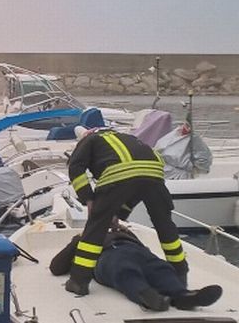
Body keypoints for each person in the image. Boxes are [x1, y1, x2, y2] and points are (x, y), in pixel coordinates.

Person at [64, 128, 189, 295]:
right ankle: (180, 275)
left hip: (118, 175)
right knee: (165, 225)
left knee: (96, 228)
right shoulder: (130, 138)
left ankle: (78, 281)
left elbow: (75, 167)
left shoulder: (90, 139)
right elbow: (136, 186)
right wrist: (117, 213)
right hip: (155, 174)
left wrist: (89, 198)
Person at [50, 223, 222, 311]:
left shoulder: (124, 231)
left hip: (138, 251)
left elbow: (141, 246)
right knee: (124, 270)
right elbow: (56, 267)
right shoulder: (83, 237)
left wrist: (124, 231)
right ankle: (147, 295)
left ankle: (183, 296)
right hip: (107, 256)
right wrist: (80, 238)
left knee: (162, 268)